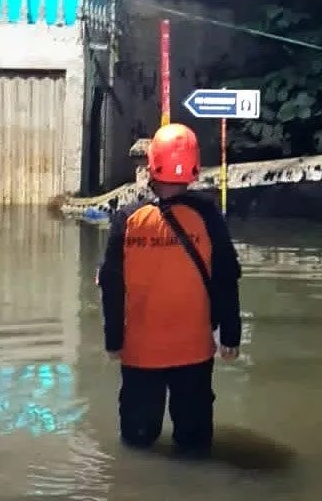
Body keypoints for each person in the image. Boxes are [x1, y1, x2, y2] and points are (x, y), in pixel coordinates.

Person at [97, 122, 242, 458]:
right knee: (194, 445)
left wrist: (113, 340)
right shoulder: (209, 217)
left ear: (151, 167)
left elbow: (111, 286)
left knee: (137, 444)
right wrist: (230, 335)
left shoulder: (127, 219)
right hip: (193, 351)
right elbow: (226, 278)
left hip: (140, 352)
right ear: (195, 168)